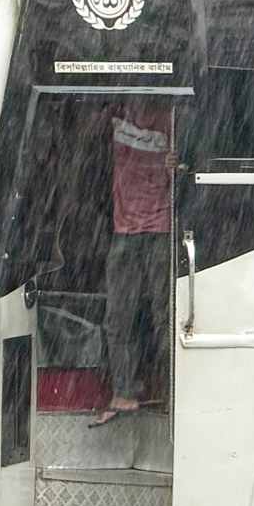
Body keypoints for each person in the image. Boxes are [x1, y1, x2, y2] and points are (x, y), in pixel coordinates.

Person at [94, 100, 173, 426]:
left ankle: (173, 393)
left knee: (163, 317)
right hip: (124, 230)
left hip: (160, 228)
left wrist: (177, 163)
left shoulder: (171, 117)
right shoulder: (116, 111)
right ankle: (124, 393)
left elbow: (189, 160)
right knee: (119, 317)